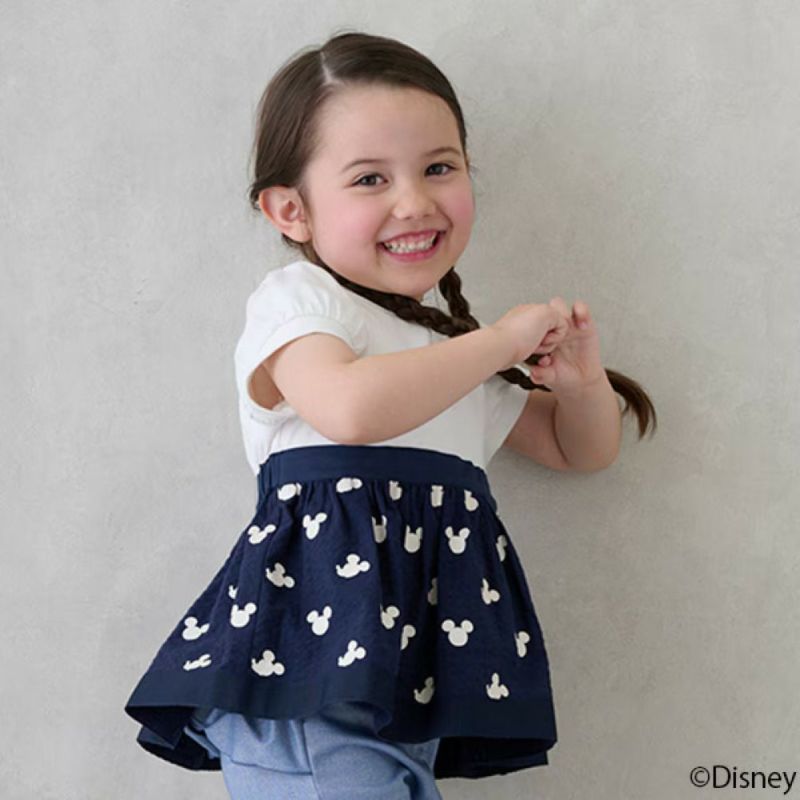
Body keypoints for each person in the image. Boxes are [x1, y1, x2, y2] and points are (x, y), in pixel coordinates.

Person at [124, 30, 657, 800]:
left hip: (403, 671)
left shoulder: (446, 350)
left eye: (439, 167)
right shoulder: (301, 304)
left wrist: (578, 385)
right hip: (306, 667)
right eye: (370, 178)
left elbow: (579, 450)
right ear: (291, 210)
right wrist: (499, 342)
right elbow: (348, 408)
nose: (414, 202)